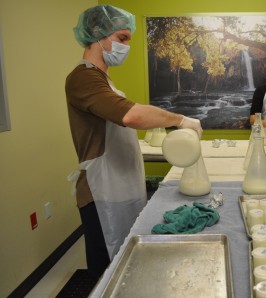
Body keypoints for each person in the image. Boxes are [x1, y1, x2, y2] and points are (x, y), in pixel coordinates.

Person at [65, 5, 202, 278]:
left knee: (127, 264)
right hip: (102, 191)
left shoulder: (104, 80)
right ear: (97, 34)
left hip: (121, 186)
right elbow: (131, 115)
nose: (126, 46)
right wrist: (180, 119)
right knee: (107, 272)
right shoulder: (83, 78)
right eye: (122, 38)